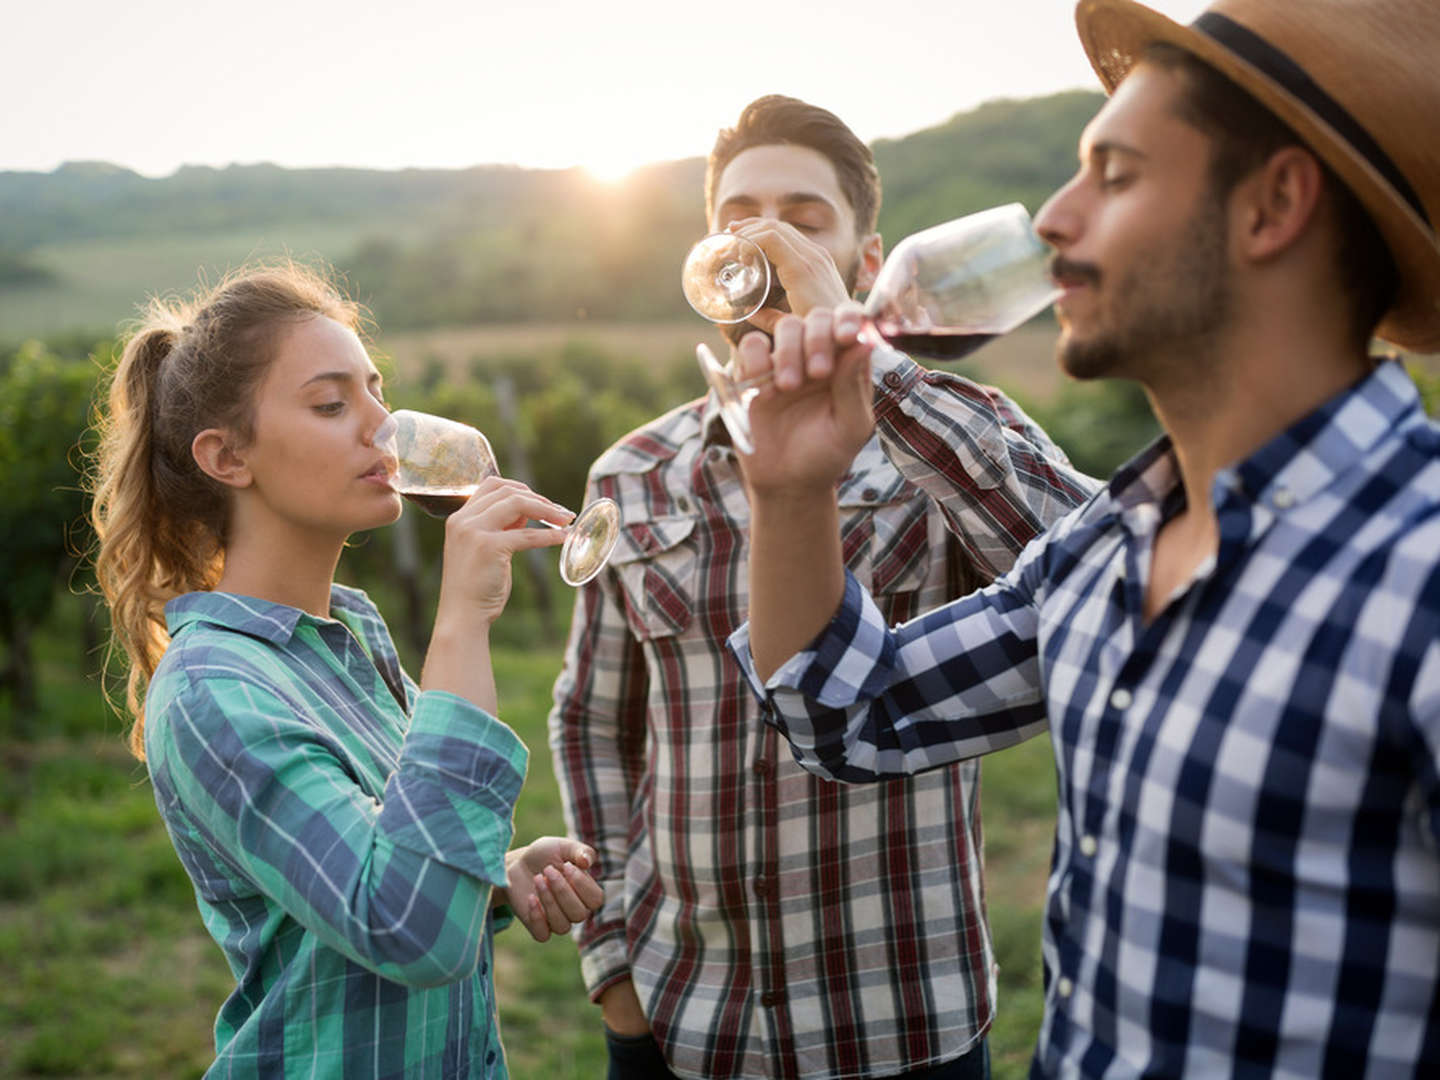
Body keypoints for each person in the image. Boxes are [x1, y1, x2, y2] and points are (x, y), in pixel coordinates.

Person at [730, 0, 1440, 1075]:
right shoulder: (1104, 547)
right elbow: (847, 714)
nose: (1054, 220)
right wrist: (792, 493)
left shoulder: (1423, 579)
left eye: (1113, 175)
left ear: (1273, 206)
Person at [548, 95, 1098, 1079]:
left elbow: (1104, 573)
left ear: (866, 259)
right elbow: (592, 722)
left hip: (903, 1024)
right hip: (684, 1024)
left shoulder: (949, 432)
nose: (763, 239)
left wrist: (867, 361)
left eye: (802, 220)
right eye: (738, 216)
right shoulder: (630, 475)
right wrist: (616, 974)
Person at [88, 262, 605, 1078]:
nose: (384, 428)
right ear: (227, 457)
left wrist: (496, 875)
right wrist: (463, 617)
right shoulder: (212, 692)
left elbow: (381, 853)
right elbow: (411, 928)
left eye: (376, 392)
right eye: (332, 404)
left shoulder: (349, 631)